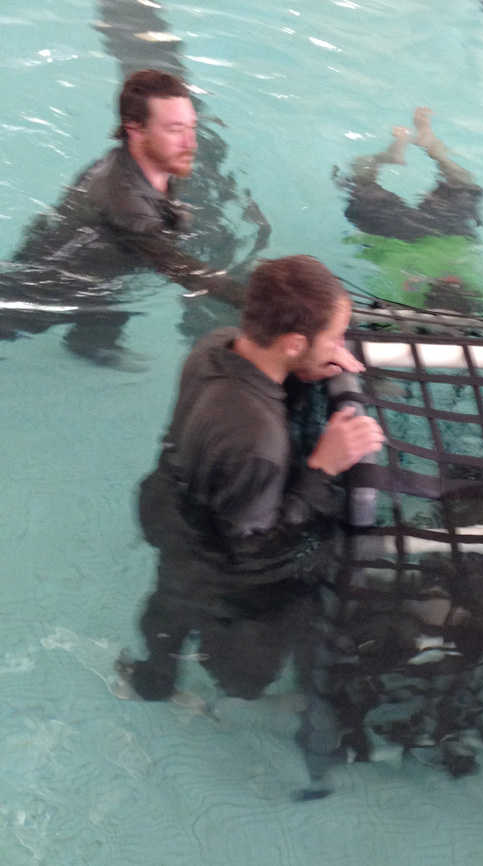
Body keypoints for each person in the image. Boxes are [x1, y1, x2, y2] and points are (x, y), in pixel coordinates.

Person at [120, 255, 385, 702]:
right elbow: (255, 549)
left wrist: (303, 374)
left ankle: (154, 677)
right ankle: (219, 674)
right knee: (247, 679)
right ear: (293, 343)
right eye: (335, 337)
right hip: (225, 558)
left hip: (171, 510)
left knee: (171, 601)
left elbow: (251, 400)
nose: (342, 346)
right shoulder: (259, 442)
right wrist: (323, 468)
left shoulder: (215, 346)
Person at [1, 69, 265, 366]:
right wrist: (260, 306)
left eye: (192, 127)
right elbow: (187, 273)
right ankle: (88, 340)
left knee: (115, 274)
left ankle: (88, 341)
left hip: (89, 272)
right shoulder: (128, 205)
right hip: (31, 301)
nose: (191, 143)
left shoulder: (140, 165)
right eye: (175, 130)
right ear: (135, 128)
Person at [337, 107, 483, 315]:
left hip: (437, 236)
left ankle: (428, 152)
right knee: (359, 180)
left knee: (463, 183)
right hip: (403, 238)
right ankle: (415, 152)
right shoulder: (402, 302)